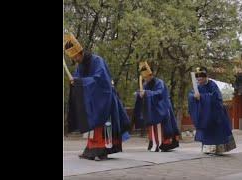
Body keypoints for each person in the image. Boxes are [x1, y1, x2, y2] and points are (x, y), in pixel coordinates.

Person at [64, 33, 130, 161]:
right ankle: (90, 150)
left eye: (75, 56)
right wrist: (75, 82)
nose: (75, 59)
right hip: (92, 100)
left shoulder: (97, 60)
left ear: (80, 52)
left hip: (105, 98)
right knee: (92, 123)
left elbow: (101, 80)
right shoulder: (81, 66)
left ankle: (103, 150)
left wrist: (80, 82)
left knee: (103, 125)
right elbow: (79, 79)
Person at [188, 67, 236, 155]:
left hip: (215, 114)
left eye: (201, 76)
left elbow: (216, 97)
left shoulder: (212, 85)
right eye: (197, 77)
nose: (199, 78)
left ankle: (218, 149)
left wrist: (201, 97)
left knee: (215, 132)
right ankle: (207, 149)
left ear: (206, 77)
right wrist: (193, 97)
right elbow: (191, 95)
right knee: (206, 132)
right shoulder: (197, 87)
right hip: (204, 114)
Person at [134, 61, 180, 152]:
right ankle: (153, 143)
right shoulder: (145, 84)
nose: (145, 79)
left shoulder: (160, 83)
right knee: (152, 126)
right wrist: (139, 94)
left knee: (161, 127)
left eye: (146, 77)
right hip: (151, 110)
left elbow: (160, 94)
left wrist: (146, 93)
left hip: (161, 108)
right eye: (144, 77)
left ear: (151, 75)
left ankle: (163, 144)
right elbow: (143, 94)